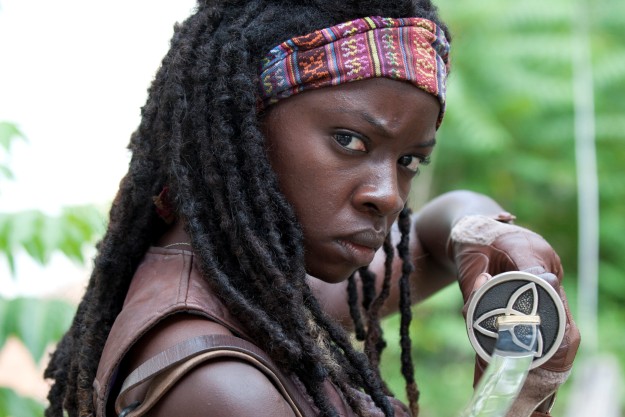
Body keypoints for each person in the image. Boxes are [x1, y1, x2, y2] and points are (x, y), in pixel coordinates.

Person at [43, 1, 580, 417]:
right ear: (242, 126)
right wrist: (512, 400)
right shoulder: (223, 390)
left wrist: (479, 231)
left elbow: (432, 234)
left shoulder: (250, 285)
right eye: (349, 140)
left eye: (409, 161)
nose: (389, 195)